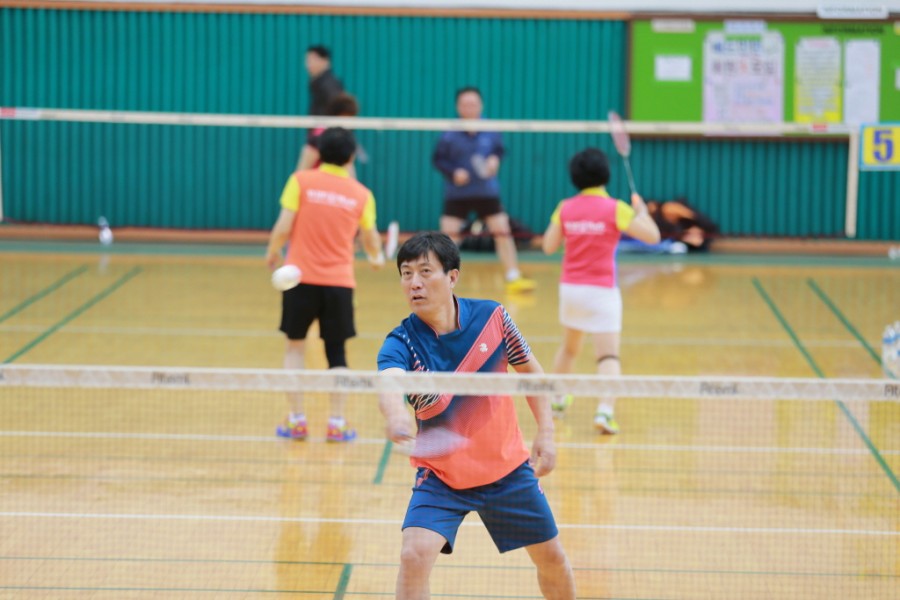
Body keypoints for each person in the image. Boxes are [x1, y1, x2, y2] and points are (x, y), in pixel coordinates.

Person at [377, 232, 575, 600]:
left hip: (508, 471)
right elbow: (388, 382)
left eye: (425, 271)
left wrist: (546, 432)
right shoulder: (401, 342)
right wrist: (395, 414)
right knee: (414, 554)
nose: (414, 283)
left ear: (452, 276)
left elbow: (532, 374)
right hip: (443, 476)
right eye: (406, 273)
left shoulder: (493, 317)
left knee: (552, 559)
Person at [266, 127, 385, 442]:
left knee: (295, 347)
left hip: (298, 279)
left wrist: (273, 251)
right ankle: (337, 423)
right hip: (339, 284)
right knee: (337, 353)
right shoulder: (361, 194)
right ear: (350, 157)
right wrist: (376, 258)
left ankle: (297, 421)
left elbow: (283, 226)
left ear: (319, 153)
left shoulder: (300, 181)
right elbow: (370, 238)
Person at [541, 148, 661, 434]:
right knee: (607, 356)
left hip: (571, 290)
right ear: (606, 175)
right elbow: (653, 237)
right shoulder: (616, 208)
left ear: (575, 178)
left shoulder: (565, 207)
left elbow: (547, 247)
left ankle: (557, 400)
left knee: (569, 349)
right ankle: (605, 413)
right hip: (602, 292)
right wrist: (643, 213)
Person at [432, 87, 536, 294]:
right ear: (458, 107)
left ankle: (513, 276)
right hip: (458, 193)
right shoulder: (449, 133)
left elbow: (499, 149)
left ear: (480, 105)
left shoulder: (491, 128)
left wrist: (495, 159)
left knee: (503, 233)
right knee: (448, 239)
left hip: (486, 192)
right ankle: (439, 281)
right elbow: (438, 159)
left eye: (473, 104)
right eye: (465, 104)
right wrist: (453, 172)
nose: (469, 107)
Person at [296, 45, 345, 172]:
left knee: (303, 175)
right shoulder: (319, 83)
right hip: (321, 141)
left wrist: (326, 139)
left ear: (325, 61)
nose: (308, 65)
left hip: (324, 141)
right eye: (307, 60)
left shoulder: (329, 84)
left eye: (312, 60)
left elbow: (339, 113)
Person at [296, 92, 360, 173]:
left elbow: (349, 168)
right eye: (347, 116)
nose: (350, 121)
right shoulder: (318, 136)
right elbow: (302, 168)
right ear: (337, 114)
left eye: (352, 117)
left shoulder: (347, 138)